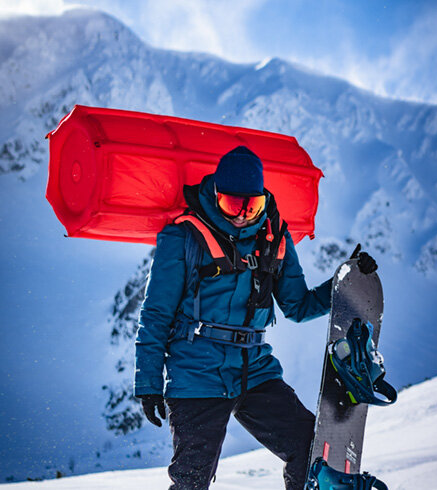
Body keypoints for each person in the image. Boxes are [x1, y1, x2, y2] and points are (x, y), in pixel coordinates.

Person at [134, 146, 377, 490]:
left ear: (264, 199)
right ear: (215, 196)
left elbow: (299, 306)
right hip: (196, 372)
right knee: (192, 479)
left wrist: (346, 280)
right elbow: (155, 314)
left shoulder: (274, 237)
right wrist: (147, 382)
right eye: (232, 206)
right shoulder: (182, 237)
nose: (242, 216)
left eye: (252, 206)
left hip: (255, 370)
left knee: (308, 449)